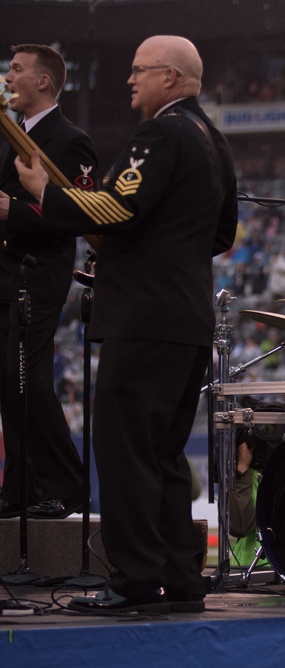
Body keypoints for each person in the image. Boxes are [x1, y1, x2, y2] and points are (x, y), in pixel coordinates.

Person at [0, 35, 237, 614]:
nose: (129, 80)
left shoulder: (161, 133)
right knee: (164, 456)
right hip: (187, 316)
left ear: (172, 79)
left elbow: (115, 208)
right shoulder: (213, 140)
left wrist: (45, 193)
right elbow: (222, 236)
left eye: (139, 71)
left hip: (145, 317)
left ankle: (133, 581)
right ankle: (181, 580)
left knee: (127, 451)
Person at [0, 44, 98, 520]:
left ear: (43, 81)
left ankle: (66, 485)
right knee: (9, 382)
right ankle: (20, 488)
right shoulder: (10, 134)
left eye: (16, 70)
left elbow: (78, 215)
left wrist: (12, 210)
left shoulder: (71, 140)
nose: (8, 77)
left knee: (28, 380)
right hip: (6, 271)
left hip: (38, 274)